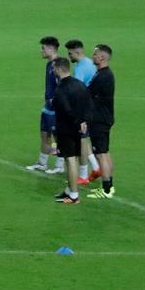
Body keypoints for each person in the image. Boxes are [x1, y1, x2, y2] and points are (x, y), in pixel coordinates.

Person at [50, 57, 91, 205]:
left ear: (60, 69)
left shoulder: (61, 88)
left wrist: (77, 121)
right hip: (79, 128)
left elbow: (66, 109)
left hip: (67, 128)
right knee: (71, 159)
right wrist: (83, 121)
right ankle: (68, 190)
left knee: (70, 159)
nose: (53, 71)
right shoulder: (80, 84)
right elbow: (89, 104)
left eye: (54, 68)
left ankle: (74, 196)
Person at [26, 37, 66, 175]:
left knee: (58, 137)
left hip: (56, 108)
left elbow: (63, 86)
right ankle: (42, 163)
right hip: (48, 107)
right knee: (44, 134)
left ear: (51, 49)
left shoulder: (57, 65)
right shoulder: (49, 64)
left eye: (43, 48)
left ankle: (60, 165)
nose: (41, 50)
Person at [67, 39, 103, 186]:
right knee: (85, 138)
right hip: (92, 105)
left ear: (77, 52)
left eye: (70, 54)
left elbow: (77, 89)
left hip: (83, 108)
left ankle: (82, 174)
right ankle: (95, 167)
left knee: (81, 139)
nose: (69, 57)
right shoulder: (89, 62)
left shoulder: (80, 68)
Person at [86, 45, 116, 200]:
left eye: (95, 54)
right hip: (104, 118)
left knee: (101, 154)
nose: (93, 55)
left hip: (99, 120)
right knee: (105, 152)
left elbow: (88, 93)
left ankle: (106, 189)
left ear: (102, 57)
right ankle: (109, 186)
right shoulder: (104, 74)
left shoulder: (103, 76)